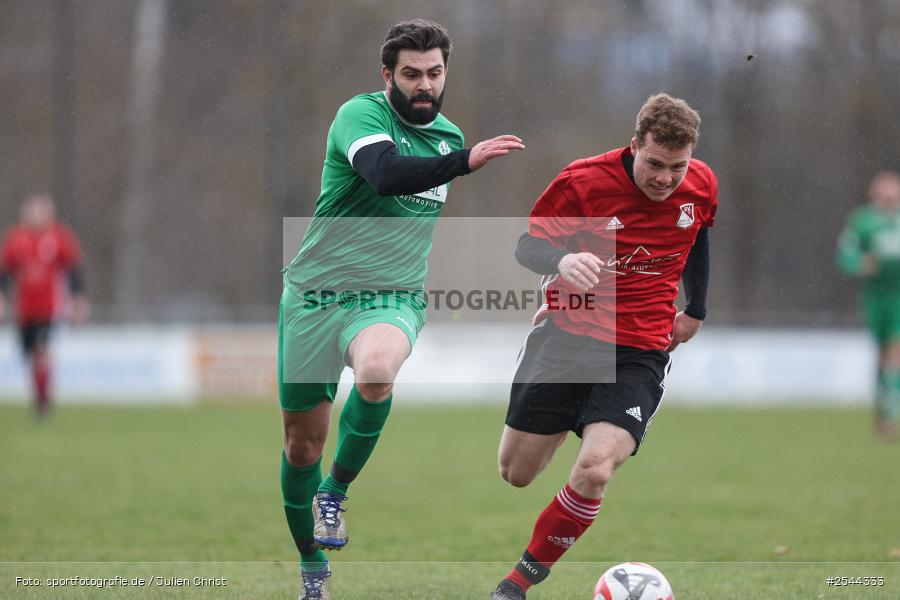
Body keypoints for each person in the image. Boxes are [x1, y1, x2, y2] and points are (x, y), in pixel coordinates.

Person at [278, 19, 524, 599]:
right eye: (411, 74)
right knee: (301, 446)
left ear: (446, 72)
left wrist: (458, 156)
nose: (424, 85)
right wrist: (463, 161)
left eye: (434, 73)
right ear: (386, 74)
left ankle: (334, 493)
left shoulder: (448, 136)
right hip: (314, 296)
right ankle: (312, 567)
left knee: (377, 369)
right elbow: (384, 175)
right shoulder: (359, 116)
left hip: (391, 296)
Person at [490, 93, 717, 599]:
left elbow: (699, 237)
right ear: (634, 145)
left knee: (594, 470)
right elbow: (527, 246)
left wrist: (696, 309)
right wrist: (562, 261)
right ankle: (571, 417)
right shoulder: (582, 182)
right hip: (567, 339)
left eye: (677, 167)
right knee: (516, 473)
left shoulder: (702, 184)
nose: (665, 178)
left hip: (640, 351)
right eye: (655, 164)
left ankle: (517, 583)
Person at [0, 194, 89, 418]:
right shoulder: (16, 239)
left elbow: (73, 269)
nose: (36, 216)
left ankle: (42, 405)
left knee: (42, 352)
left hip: (49, 308)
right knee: (31, 355)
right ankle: (40, 398)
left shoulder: (59, 237)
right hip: (24, 309)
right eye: (32, 212)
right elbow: (5, 272)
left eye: (41, 211)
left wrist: (78, 299)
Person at [837, 170, 900, 441]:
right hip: (875, 297)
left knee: (895, 351)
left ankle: (890, 415)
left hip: (898, 294)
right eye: (884, 192)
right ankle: (882, 414)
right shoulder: (862, 222)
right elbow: (846, 253)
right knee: (882, 356)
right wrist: (861, 263)